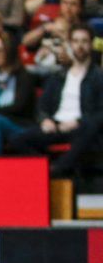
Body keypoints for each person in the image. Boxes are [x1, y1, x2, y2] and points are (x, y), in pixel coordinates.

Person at [8, 24, 103, 176]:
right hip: (56, 125)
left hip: (81, 128)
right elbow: (43, 105)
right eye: (76, 41)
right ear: (70, 44)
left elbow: (100, 113)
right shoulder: (58, 76)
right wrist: (45, 119)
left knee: (90, 128)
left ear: (91, 44)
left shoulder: (98, 77)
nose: (80, 46)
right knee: (17, 139)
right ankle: (48, 167)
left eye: (84, 41)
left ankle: (57, 169)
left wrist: (77, 122)